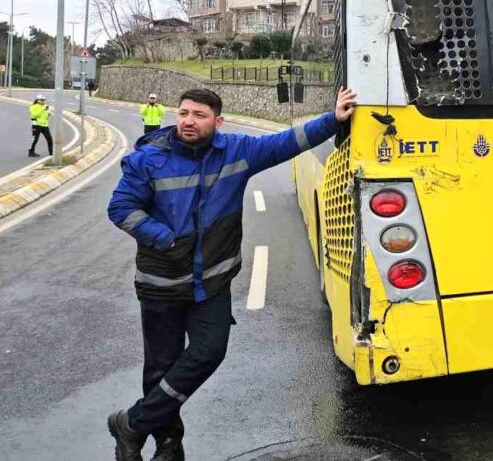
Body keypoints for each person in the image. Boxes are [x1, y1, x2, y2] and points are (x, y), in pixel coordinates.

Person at [105, 86, 357, 460]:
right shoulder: (148, 160)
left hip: (213, 283)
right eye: (185, 113)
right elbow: (120, 207)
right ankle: (169, 444)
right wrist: (165, 238)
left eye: (200, 115)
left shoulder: (237, 152)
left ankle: (133, 424)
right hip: (162, 284)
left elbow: (287, 143)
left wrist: (333, 119)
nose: (189, 120)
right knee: (161, 367)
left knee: (208, 352)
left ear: (217, 121)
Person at [27, 94, 53, 158]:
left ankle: (51, 152)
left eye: (44, 100)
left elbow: (45, 116)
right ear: (37, 100)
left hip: (44, 125)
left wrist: (49, 113)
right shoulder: (33, 107)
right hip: (36, 125)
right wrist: (43, 109)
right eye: (41, 100)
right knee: (35, 139)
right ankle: (31, 152)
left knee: (49, 138)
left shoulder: (44, 106)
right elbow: (36, 115)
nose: (43, 101)